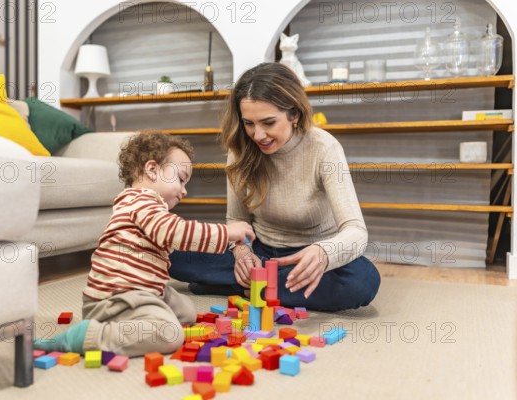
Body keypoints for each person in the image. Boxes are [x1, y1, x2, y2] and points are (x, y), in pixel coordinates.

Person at [169, 62, 381, 311]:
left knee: (362, 281)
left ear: (295, 114)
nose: (258, 135)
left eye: (268, 123)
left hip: (307, 256)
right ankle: (268, 286)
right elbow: (236, 219)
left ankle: (246, 287)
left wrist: (324, 253)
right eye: (249, 123)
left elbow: (356, 231)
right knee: (171, 255)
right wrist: (242, 252)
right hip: (258, 252)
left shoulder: (325, 148)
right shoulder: (239, 149)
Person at [34, 132, 254, 356]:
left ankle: (146, 318)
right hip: (115, 300)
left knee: (186, 310)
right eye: (180, 179)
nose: (184, 190)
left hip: (141, 290)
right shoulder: (141, 202)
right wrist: (226, 232)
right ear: (152, 169)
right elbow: (176, 232)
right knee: (170, 335)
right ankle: (88, 336)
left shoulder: (142, 203)